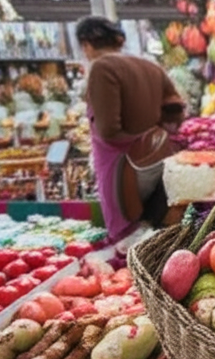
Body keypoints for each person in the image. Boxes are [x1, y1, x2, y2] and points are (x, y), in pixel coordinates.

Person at [75, 16, 186, 242]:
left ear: (86, 45)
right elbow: (175, 111)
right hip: (156, 165)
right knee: (153, 235)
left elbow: (107, 130)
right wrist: (154, 137)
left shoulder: (101, 68)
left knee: (130, 241)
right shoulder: (150, 66)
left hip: (120, 171)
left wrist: (135, 141)